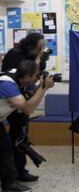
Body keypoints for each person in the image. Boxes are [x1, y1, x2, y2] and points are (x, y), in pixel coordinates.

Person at [0, 60, 54, 191]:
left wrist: (40, 85)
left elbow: (30, 96)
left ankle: (10, 181)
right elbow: (27, 108)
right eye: (36, 76)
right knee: (4, 147)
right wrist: (44, 87)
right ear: (26, 78)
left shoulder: (19, 77)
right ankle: (9, 184)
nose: (38, 78)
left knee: (5, 146)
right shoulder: (7, 83)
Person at [1, 33, 46, 182]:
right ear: (31, 45)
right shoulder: (16, 55)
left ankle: (17, 172)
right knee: (14, 139)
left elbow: (35, 74)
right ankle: (13, 176)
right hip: (14, 100)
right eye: (40, 46)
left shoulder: (30, 58)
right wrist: (43, 88)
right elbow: (29, 75)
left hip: (17, 99)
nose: (43, 48)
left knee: (18, 138)